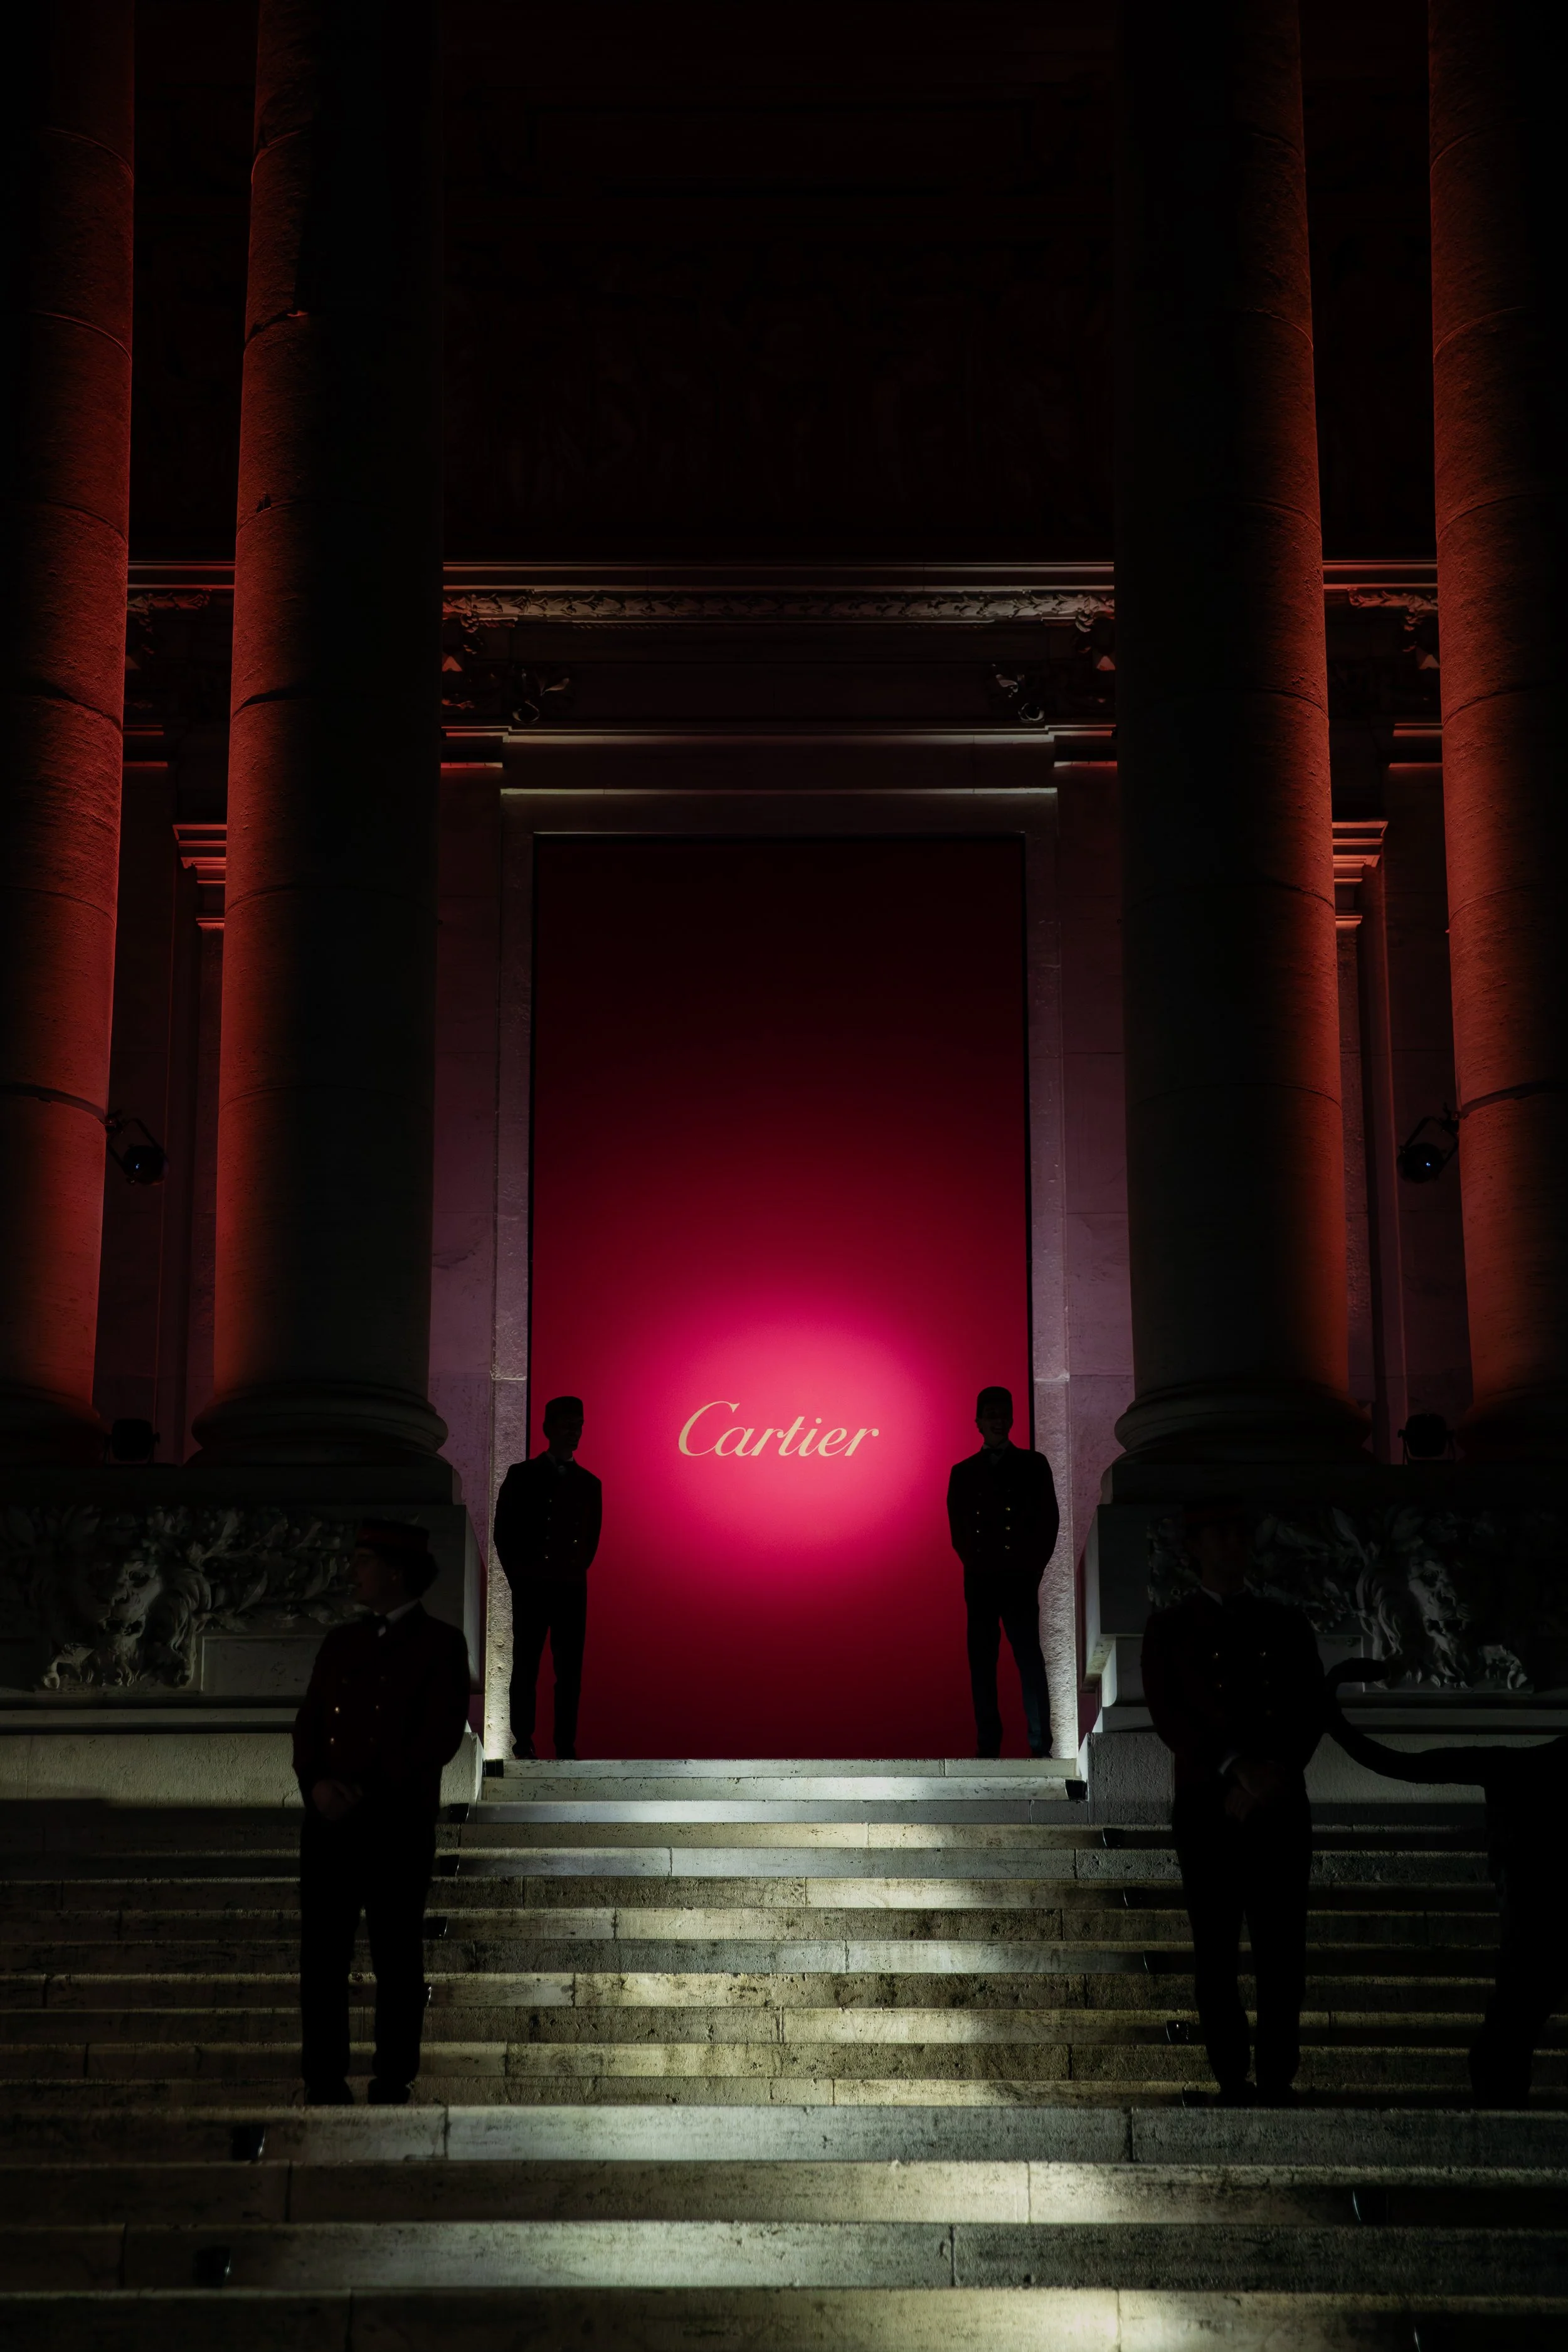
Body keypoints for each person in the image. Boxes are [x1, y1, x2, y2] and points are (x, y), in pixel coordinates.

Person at [1140, 1499, 1327, 2106]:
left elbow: (1308, 1706)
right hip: (1209, 1806)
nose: (1230, 1545)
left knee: (1282, 1954)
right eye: (1217, 1534)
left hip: (1277, 1803)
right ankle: (1231, 2074)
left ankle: (1277, 2076)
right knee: (1216, 1952)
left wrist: (1274, 1775)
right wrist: (1237, 1772)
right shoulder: (1170, 1627)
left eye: (1237, 1534)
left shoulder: (1285, 1623)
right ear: (1194, 1547)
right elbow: (1174, 1717)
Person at [1325, 1656, 1568, 2106]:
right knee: (1501, 2045)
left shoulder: (1519, 1771)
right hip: (1532, 1933)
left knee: (1501, 2046)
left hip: (1533, 1934)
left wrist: (1332, 1699)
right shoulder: (1522, 1771)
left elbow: (1397, 1763)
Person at [292, 1520, 472, 2106]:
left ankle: (394, 2075)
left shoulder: (441, 1643)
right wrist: (316, 1785)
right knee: (322, 1957)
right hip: (330, 1826)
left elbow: (438, 1735)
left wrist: (365, 1788)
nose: (353, 1571)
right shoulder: (340, 1641)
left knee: (397, 1955)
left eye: (364, 1560)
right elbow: (310, 1726)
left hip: (395, 1824)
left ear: (396, 1570)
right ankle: (323, 2076)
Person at [946, 1385, 1057, 1759]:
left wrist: (1033, 1569)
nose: (996, 1419)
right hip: (980, 1580)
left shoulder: (1034, 1464)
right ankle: (987, 1746)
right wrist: (976, 1564)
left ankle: (1041, 1745)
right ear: (977, 1422)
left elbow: (1048, 1522)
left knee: (1029, 1658)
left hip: (1019, 1578)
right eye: (989, 1413)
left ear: (1011, 1419)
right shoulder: (962, 1473)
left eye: (1002, 1413)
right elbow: (958, 1529)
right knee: (982, 1664)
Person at [493, 1394, 603, 1761]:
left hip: (571, 1588)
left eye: (580, 1426)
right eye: (568, 1425)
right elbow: (503, 1533)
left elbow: (590, 1541)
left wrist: (572, 1571)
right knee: (526, 1664)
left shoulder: (590, 1484)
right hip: (532, 1586)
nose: (575, 1433)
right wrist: (520, 1578)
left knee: (569, 1671)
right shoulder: (521, 1475)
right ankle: (522, 1739)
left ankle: (564, 1745)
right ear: (548, 1428)